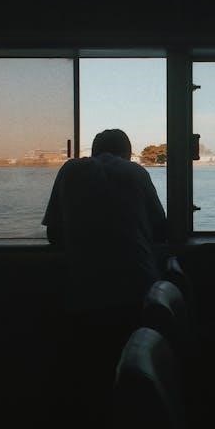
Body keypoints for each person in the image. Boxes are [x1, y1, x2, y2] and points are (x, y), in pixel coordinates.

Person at [42, 128, 168, 311]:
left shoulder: (69, 170)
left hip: (83, 289)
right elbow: (161, 230)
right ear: (127, 154)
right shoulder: (136, 172)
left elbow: (54, 234)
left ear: (94, 151)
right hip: (139, 287)